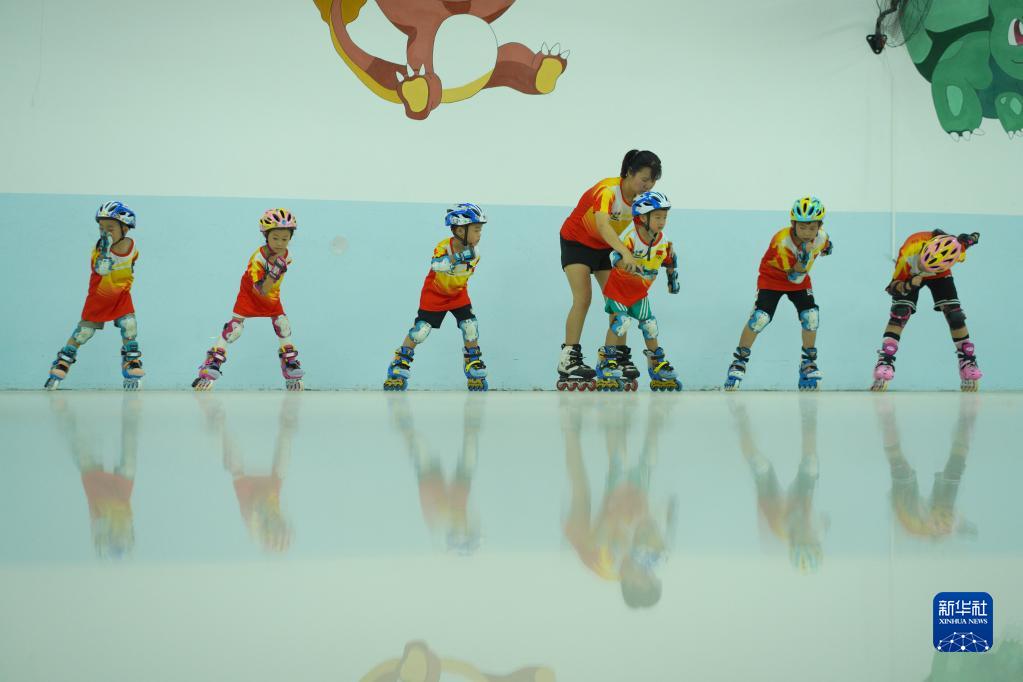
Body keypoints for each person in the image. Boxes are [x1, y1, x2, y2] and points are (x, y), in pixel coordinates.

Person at [557, 150, 662, 389]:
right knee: (583, 298)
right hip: (576, 242)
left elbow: (641, 232)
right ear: (630, 172)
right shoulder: (607, 191)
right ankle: (568, 359)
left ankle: (616, 357)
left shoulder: (640, 201)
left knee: (619, 301)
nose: (648, 186)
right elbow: (603, 225)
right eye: (644, 179)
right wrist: (625, 252)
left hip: (606, 247)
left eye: (653, 181)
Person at [724, 196, 833, 391]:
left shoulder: (821, 237)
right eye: (802, 227)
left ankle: (808, 363)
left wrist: (825, 249)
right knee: (760, 318)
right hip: (773, 278)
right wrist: (805, 256)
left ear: (820, 226)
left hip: (801, 280)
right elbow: (793, 276)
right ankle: (739, 361)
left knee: (811, 316)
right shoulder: (782, 242)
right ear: (793, 224)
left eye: (812, 228)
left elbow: (826, 246)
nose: (807, 233)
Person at [192, 208, 305, 391]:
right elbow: (261, 290)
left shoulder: (287, 256)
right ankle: (211, 364)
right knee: (234, 329)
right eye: (275, 238)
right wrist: (274, 272)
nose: (280, 243)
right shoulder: (258, 258)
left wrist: (276, 272)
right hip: (251, 293)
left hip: (272, 296)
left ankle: (290, 364)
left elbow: (271, 289)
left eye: (285, 239)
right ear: (266, 236)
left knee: (283, 325)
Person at [384, 203, 488, 391]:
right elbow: (437, 265)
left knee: (470, 326)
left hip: (458, 294)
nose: (479, 235)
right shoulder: (444, 246)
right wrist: (457, 258)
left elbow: (461, 268)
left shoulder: (476, 253)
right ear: (460, 230)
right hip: (434, 294)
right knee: (421, 330)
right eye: (476, 230)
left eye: (480, 230)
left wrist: (460, 258)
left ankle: (473, 362)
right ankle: (399, 363)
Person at [45, 201, 144, 390]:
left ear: (125, 229)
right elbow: (101, 269)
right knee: (84, 333)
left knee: (129, 326)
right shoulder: (100, 248)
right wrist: (105, 251)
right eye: (101, 228)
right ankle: (62, 362)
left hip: (121, 296)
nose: (105, 232)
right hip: (99, 297)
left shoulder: (133, 247)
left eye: (110, 228)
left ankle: (131, 363)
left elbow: (128, 264)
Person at [871, 229, 982, 391]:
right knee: (900, 312)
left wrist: (971, 239)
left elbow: (969, 241)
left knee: (955, 314)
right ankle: (885, 360)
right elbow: (893, 288)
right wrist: (908, 285)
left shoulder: (956, 250)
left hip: (941, 271)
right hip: (912, 272)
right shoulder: (909, 252)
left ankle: (967, 360)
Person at [593, 191, 681, 392]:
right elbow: (615, 257)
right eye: (657, 217)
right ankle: (606, 361)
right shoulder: (631, 237)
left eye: (664, 217)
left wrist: (672, 279)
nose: (662, 222)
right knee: (621, 322)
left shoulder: (664, 241)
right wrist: (626, 263)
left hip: (640, 292)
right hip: (619, 289)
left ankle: (657, 364)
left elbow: (670, 260)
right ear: (642, 218)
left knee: (650, 325)